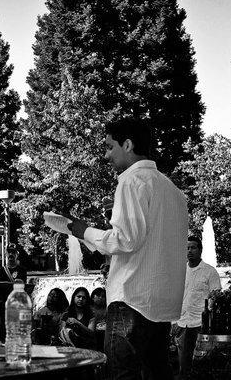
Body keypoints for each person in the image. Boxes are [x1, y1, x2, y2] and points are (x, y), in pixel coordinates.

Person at [68, 117, 188, 380]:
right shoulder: (174, 191)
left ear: (128, 144)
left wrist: (84, 232)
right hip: (161, 304)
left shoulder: (131, 181)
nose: (107, 155)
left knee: (122, 375)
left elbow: (126, 239)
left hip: (131, 299)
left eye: (110, 147)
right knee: (157, 374)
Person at [173, 236, 221, 379]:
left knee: (201, 365)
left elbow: (215, 297)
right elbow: (174, 297)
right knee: (183, 365)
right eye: (187, 248)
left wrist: (209, 320)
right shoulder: (179, 271)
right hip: (181, 323)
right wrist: (172, 321)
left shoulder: (209, 271)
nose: (189, 251)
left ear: (200, 250)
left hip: (201, 324)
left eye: (193, 247)